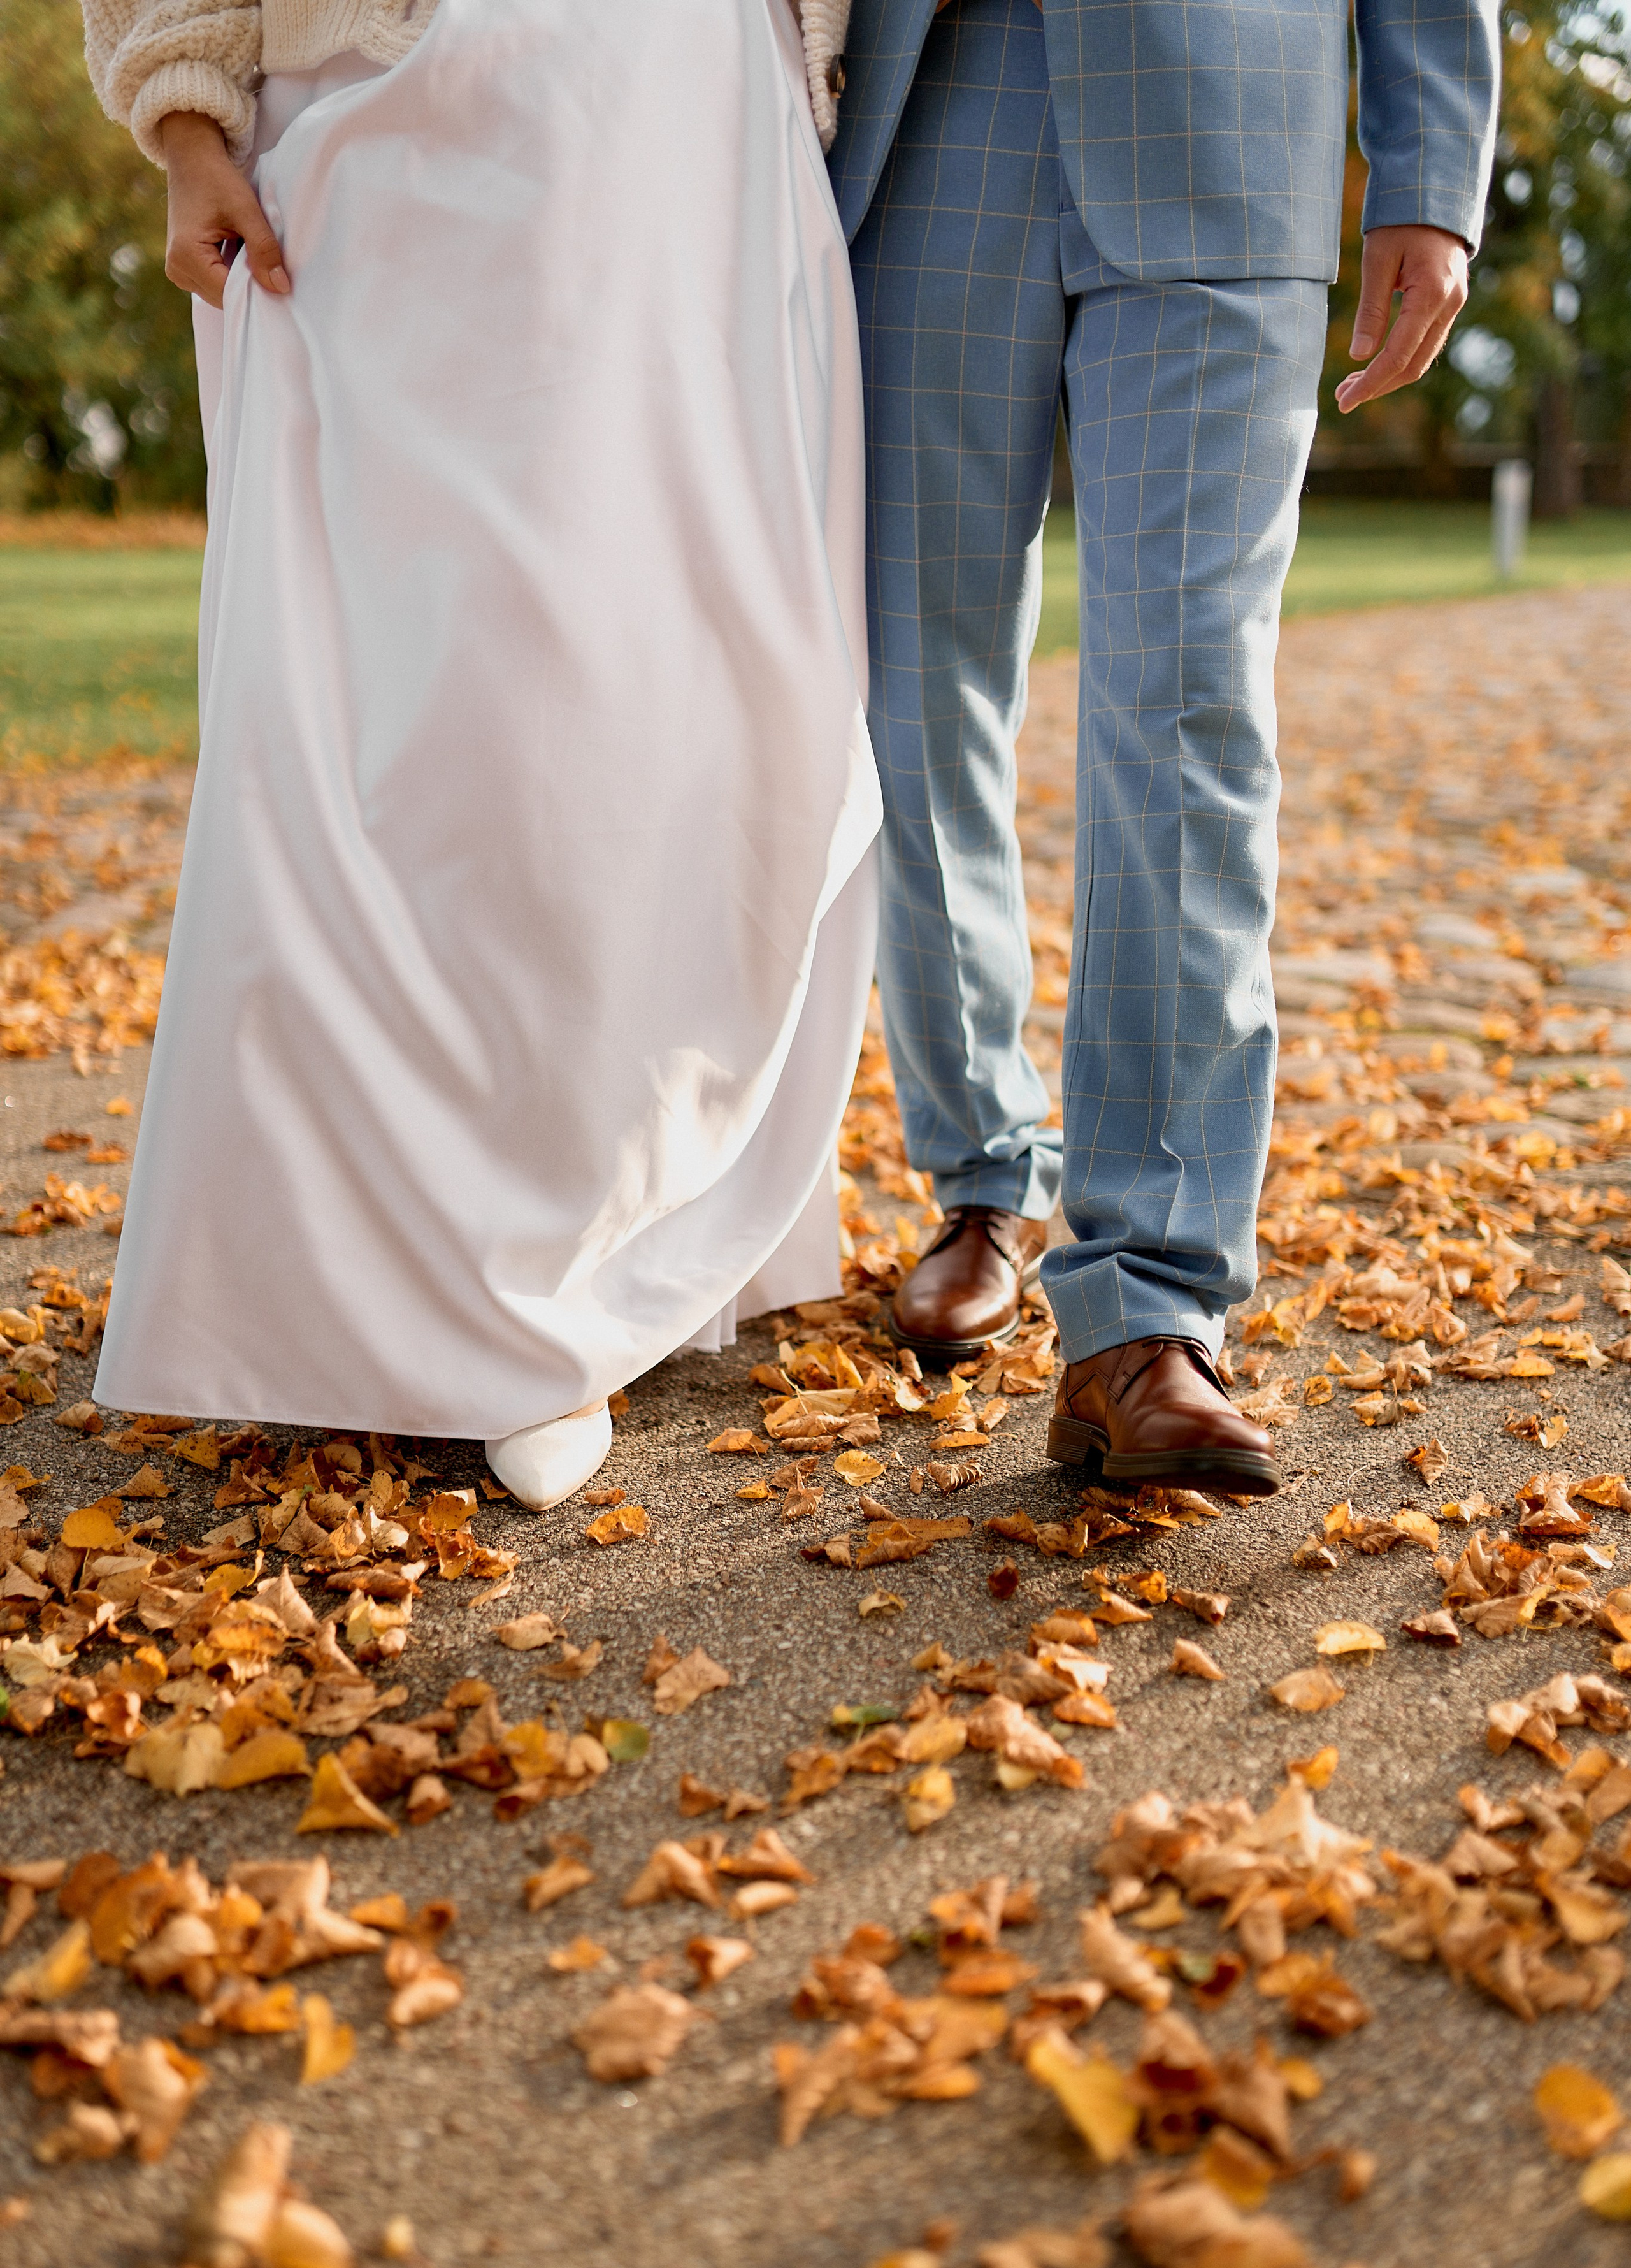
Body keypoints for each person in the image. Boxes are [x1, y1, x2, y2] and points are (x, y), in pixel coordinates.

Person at [78, 0, 876, 1509]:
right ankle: (423, 1295)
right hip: (389, 121)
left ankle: (602, 1237)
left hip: (690, 131)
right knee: (414, 705)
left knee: (672, 694)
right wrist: (183, 117)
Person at [828, 0, 1498, 1494]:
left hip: (1232, 104)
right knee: (913, 695)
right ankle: (985, 1175)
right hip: (932, 104)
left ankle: (1145, 1304)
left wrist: (1427, 169)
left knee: (1187, 700)